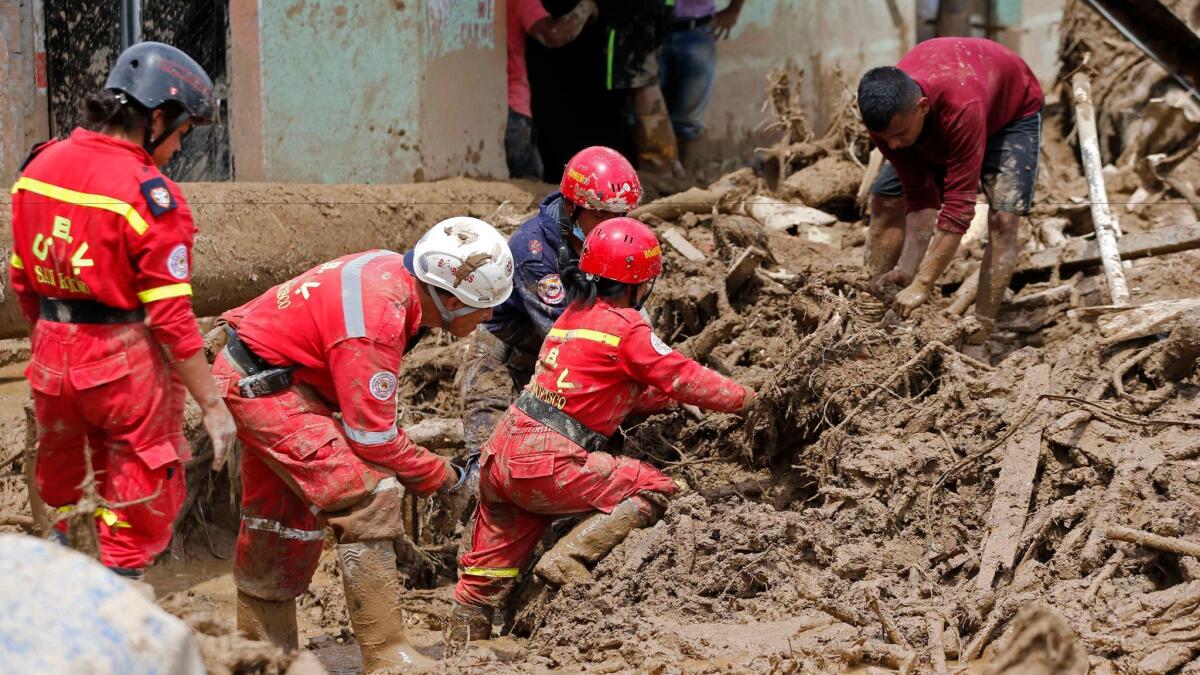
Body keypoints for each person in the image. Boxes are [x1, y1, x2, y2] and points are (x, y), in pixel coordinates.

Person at [209, 218, 513, 671]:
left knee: (277, 519)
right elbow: (372, 437)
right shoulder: (376, 320)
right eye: (484, 307)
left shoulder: (391, 272)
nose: (489, 317)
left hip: (268, 374)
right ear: (449, 299)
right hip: (266, 387)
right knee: (369, 495)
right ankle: (387, 653)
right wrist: (444, 478)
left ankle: (262, 650)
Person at [447, 217, 755, 642]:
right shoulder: (628, 328)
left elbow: (609, 391)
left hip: (502, 455)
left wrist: (666, 398)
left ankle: (461, 659)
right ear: (640, 282)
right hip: (549, 461)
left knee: (480, 584)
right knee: (654, 489)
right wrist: (748, 400)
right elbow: (684, 376)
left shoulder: (572, 317)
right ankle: (568, 555)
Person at [8, 42, 236, 584]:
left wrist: (52, 340)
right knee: (139, 498)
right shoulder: (149, 196)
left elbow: (22, 281)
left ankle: (67, 597)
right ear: (156, 117)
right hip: (123, 367)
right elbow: (172, 321)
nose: (179, 147)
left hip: (49, 357)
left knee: (65, 488)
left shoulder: (39, 167)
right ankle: (120, 615)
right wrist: (213, 406)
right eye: (181, 132)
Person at [459, 145, 642, 464]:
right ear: (571, 207)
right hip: (503, 364)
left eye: (619, 215)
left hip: (555, 359)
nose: (610, 225)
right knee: (489, 465)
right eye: (600, 214)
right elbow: (567, 337)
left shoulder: (610, 241)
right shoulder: (533, 252)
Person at [858, 37, 1044, 350]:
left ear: (922, 107)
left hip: (1010, 114)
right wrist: (907, 271)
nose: (893, 146)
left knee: (1003, 220)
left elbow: (958, 209)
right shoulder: (887, 127)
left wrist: (923, 284)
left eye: (900, 135)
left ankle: (979, 333)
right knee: (887, 198)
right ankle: (869, 308)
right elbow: (921, 198)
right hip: (948, 109)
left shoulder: (961, 108)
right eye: (884, 138)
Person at [507, 0, 600, 179]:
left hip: (473, 105)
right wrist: (586, 7)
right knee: (527, 178)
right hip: (513, 106)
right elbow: (554, 34)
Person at [659, 0, 745, 172]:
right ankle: (637, 183)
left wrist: (734, 9)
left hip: (696, 31)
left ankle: (681, 185)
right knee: (639, 114)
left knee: (686, 120)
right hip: (647, 31)